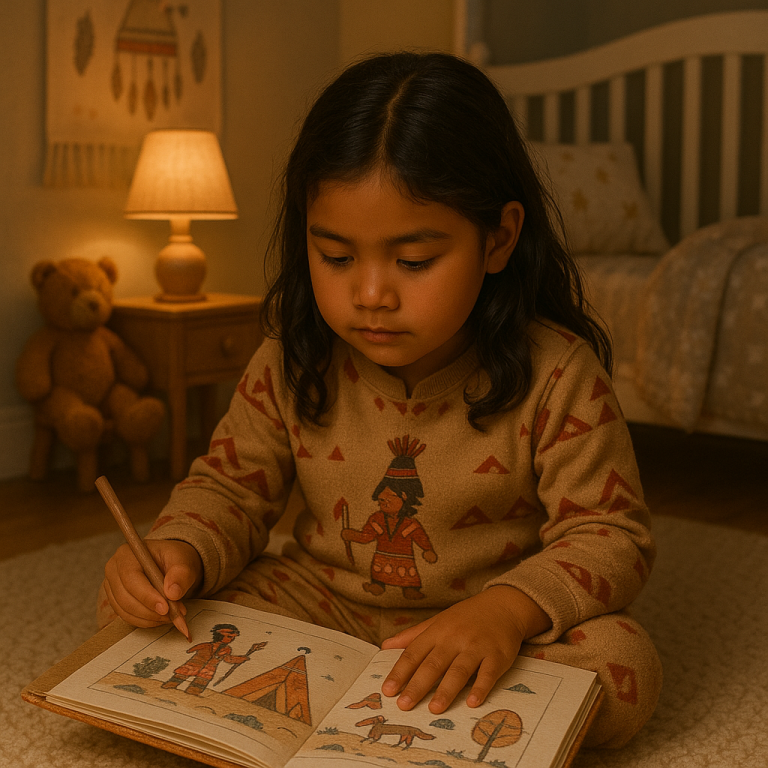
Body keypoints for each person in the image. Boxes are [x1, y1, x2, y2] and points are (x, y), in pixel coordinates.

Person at [100, 51, 662, 748]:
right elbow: (229, 488)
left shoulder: (559, 373)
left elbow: (611, 535)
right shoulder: (292, 354)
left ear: (499, 238)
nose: (370, 295)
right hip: (323, 608)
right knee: (138, 620)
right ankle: (429, 722)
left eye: (414, 262)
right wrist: (175, 553)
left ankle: (429, 706)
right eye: (336, 257)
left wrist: (509, 610)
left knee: (621, 663)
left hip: (493, 623)